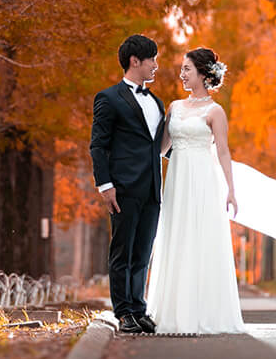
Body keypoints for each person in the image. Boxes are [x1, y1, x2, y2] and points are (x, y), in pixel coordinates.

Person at [146, 46, 244, 334]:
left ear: (203, 73)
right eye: (182, 69)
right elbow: (161, 148)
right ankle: (173, 312)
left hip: (203, 179)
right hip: (177, 179)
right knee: (177, 235)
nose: (182, 74)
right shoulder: (174, 107)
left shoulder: (216, 111)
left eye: (187, 69)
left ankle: (203, 312)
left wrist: (231, 189)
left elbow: (223, 152)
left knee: (201, 238)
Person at [90, 34, 165, 334]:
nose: (156, 65)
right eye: (153, 60)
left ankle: (138, 308)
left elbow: (159, 145)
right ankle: (123, 313)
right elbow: (98, 146)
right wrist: (105, 185)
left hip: (152, 189)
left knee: (143, 252)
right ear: (136, 61)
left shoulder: (156, 102)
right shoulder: (108, 98)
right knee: (122, 251)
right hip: (122, 188)